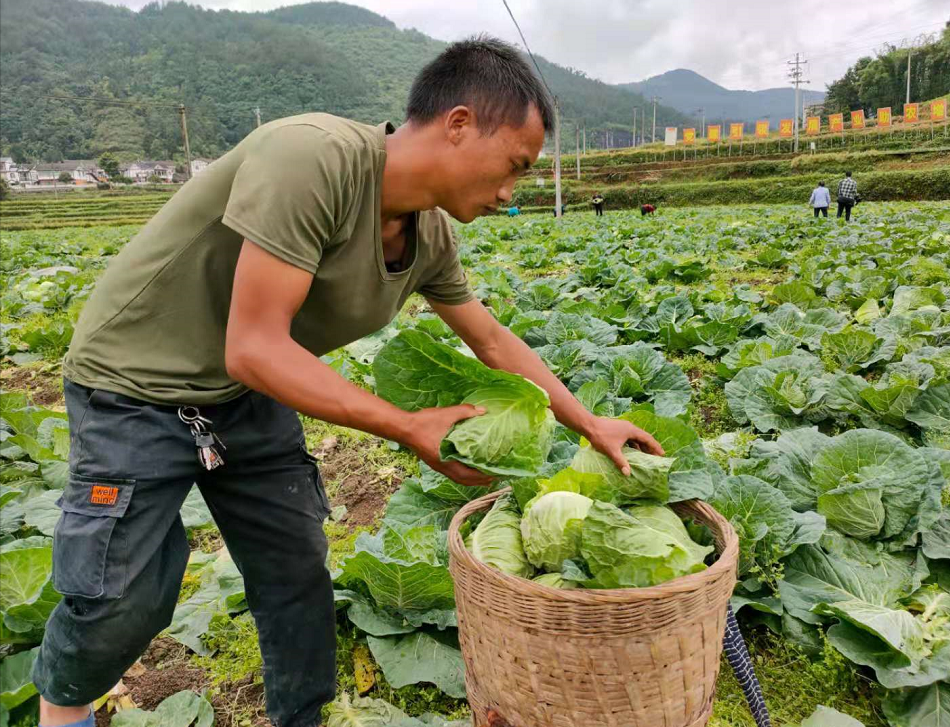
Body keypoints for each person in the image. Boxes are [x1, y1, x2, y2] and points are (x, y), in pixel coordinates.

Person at [33, 36, 663, 727]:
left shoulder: (428, 234)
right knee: (125, 595)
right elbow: (253, 346)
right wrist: (405, 424)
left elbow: (488, 337)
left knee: (296, 571)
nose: (512, 192)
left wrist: (588, 422)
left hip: (246, 396)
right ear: (458, 124)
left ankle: (302, 717)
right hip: (135, 384)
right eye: (514, 165)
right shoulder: (311, 158)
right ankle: (64, 712)